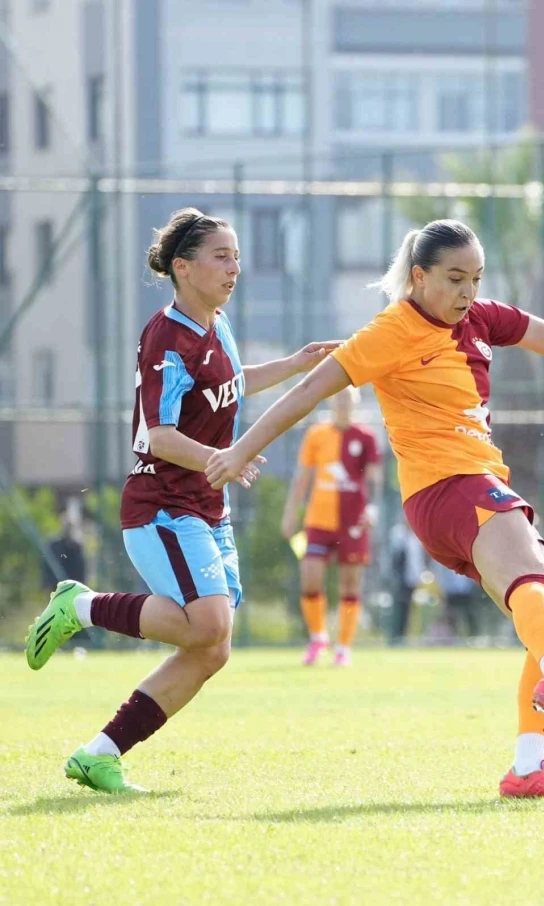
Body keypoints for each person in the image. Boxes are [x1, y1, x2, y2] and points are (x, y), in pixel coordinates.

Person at [206, 218, 544, 799]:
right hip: (450, 485)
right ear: (419, 276)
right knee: (540, 592)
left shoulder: (484, 318)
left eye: (476, 279)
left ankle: (529, 768)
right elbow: (308, 391)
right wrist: (240, 450)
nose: (469, 292)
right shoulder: (391, 331)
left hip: (462, 490)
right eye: (455, 278)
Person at [25, 207, 338, 793]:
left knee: (212, 648)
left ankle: (100, 753)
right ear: (183, 267)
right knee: (209, 625)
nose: (234, 267)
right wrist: (228, 458)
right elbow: (159, 435)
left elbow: (231, 380)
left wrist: (294, 366)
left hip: (204, 506)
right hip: (162, 506)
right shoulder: (165, 337)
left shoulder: (217, 323)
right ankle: (82, 607)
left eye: (237, 255)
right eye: (222, 256)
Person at [281, 387, 381, 667]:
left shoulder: (366, 437)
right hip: (318, 520)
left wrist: (371, 509)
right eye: (338, 399)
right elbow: (302, 476)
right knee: (310, 576)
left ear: (356, 403)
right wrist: (290, 513)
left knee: (350, 585)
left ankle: (344, 647)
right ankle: (318, 637)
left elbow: (373, 479)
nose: (343, 404)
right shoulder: (316, 434)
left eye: (348, 399)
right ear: (331, 401)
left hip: (353, 521)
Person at [388, 517, 428, 645]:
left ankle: (406, 636)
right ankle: (395, 637)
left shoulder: (416, 537)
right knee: (399, 609)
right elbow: (395, 556)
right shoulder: (398, 534)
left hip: (414, 579)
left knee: (410, 610)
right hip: (401, 579)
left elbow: (420, 559)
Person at [433, 562, 482, 641]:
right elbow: (440, 575)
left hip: (466, 592)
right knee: (451, 618)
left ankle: (473, 638)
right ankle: (452, 639)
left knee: (469, 616)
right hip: (451, 593)